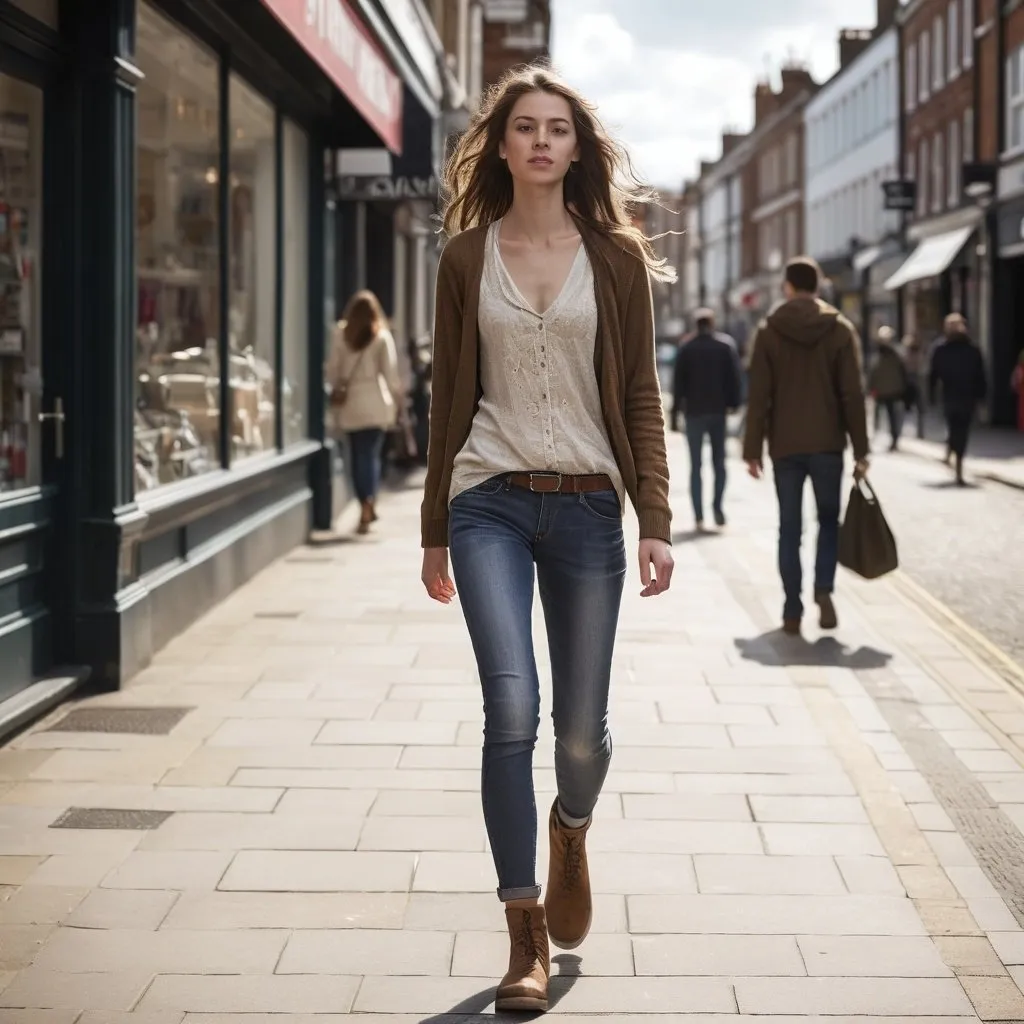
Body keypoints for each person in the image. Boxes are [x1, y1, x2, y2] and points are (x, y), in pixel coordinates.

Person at [419, 66, 674, 1012]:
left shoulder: (613, 258)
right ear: (503, 144)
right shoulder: (463, 258)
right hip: (488, 497)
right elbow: (450, 398)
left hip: (585, 512)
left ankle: (571, 826)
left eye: (556, 129)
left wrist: (656, 519)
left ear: (577, 147)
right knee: (511, 710)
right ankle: (523, 931)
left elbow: (642, 397)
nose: (539, 141)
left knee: (578, 733)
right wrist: (435, 528)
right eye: (523, 127)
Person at [742, 256, 869, 636]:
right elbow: (853, 395)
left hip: (785, 447)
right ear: (819, 286)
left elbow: (759, 395)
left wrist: (752, 450)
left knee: (789, 529)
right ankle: (823, 589)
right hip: (828, 444)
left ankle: (792, 608)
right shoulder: (841, 330)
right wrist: (862, 450)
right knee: (829, 522)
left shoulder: (769, 330)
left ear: (788, 286)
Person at [326, 290, 402, 534]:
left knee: (356, 456)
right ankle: (369, 501)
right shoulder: (381, 336)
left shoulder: (340, 334)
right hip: (376, 403)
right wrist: (398, 403)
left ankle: (363, 502)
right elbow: (390, 376)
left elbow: (333, 372)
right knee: (371, 456)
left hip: (351, 405)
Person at [672, 307, 743, 528]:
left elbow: (678, 385)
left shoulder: (686, 348)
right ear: (712, 324)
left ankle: (699, 514)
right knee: (719, 463)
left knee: (696, 465)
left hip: (694, 412)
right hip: (717, 411)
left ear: (696, 324)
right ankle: (718, 507)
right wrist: (733, 404)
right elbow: (734, 379)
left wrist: (675, 414)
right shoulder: (725, 346)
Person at [929, 323, 987, 486]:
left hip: (951, 396)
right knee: (962, 430)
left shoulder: (942, 349)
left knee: (955, 428)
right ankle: (957, 463)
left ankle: (955, 459)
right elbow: (981, 375)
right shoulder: (971, 349)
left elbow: (933, 374)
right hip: (966, 397)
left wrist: (932, 395)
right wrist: (982, 396)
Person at [868, 326, 909, 451]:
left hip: (889, 390)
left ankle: (892, 439)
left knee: (890, 416)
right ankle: (877, 437)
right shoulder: (882, 355)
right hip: (884, 391)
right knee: (883, 416)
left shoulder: (893, 355)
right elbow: (873, 373)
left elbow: (902, 372)